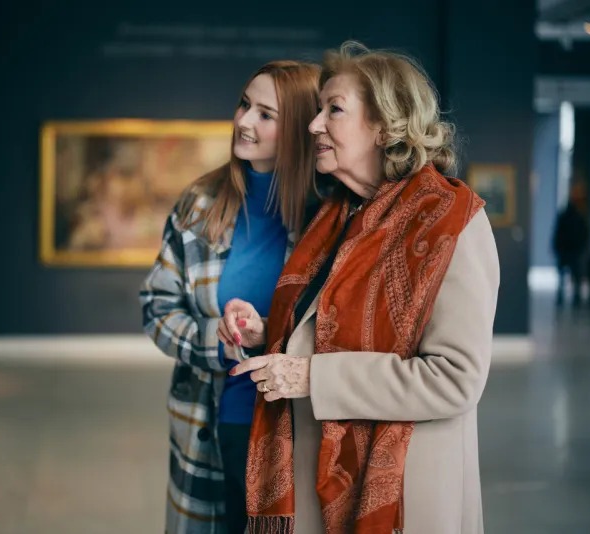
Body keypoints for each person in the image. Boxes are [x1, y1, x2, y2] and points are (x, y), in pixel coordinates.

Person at [228, 41, 500, 534]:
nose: (314, 125)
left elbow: (455, 379)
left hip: (400, 495)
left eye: (333, 110)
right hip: (317, 480)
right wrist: (267, 332)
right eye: (318, 110)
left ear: (385, 126)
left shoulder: (453, 221)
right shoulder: (338, 215)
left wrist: (313, 377)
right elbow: (340, 328)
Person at [139, 60, 321, 534]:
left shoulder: (328, 215)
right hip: (210, 423)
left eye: (266, 114)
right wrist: (218, 343)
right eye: (244, 104)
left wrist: (268, 334)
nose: (243, 121)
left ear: (301, 126)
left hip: (293, 427)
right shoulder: (199, 202)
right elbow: (157, 306)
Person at [551, 181, 589, 306]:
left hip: (571, 250)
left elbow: (582, 234)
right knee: (571, 275)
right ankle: (572, 297)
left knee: (570, 275)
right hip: (570, 250)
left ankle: (569, 296)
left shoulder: (572, 215)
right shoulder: (575, 216)